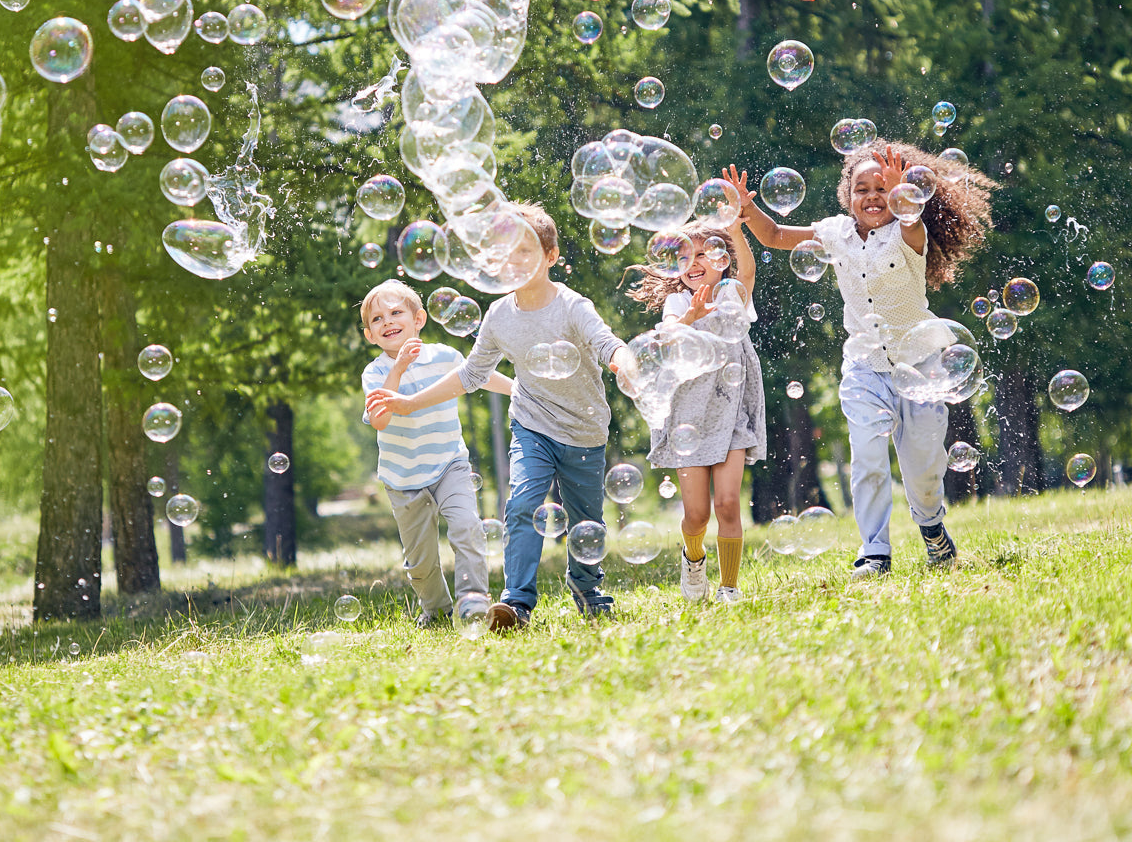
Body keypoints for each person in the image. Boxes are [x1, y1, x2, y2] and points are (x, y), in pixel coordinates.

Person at [726, 144, 995, 577]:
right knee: (867, 456)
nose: (871, 196)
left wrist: (901, 192)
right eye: (861, 188)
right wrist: (745, 211)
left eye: (881, 188)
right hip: (864, 367)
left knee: (924, 464)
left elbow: (908, 214)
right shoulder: (835, 233)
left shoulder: (910, 233)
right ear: (846, 196)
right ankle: (874, 550)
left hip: (921, 364)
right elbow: (774, 235)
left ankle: (931, 526)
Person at [366, 204, 634, 631]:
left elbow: (606, 342)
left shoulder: (571, 305)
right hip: (531, 424)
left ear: (550, 256)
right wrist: (410, 403)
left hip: (584, 429)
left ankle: (587, 590)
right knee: (523, 504)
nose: (515, 262)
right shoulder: (499, 315)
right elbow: (472, 374)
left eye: (526, 251)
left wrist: (625, 361)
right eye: (506, 253)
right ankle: (516, 604)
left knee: (586, 521)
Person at [624, 205, 766, 604]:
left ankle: (729, 586)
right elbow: (667, 336)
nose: (695, 263)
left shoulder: (732, 294)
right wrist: (690, 316)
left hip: (731, 408)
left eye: (705, 253)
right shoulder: (677, 302)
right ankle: (694, 557)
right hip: (689, 413)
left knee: (728, 503)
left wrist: (736, 230)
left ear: (722, 258)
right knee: (698, 514)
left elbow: (749, 272)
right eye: (686, 257)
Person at [361, 279, 513, 627]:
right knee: (421, 560)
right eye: (378, 319)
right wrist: (397, 369)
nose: (387, 322)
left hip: (449, 465)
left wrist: (517, 390)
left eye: (396, 312)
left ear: (419, 319)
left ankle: (472, 602)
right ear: (370, 335)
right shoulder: (375, 373)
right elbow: (381, 420)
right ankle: (437, 610)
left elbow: (478, 376)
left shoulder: (444, 356)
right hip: (403, 478)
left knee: (467, 527)